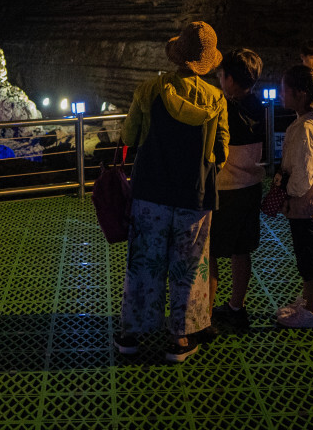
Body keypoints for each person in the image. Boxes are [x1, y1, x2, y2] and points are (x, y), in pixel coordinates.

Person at [114, 21, 229, 363]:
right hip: (194, 196)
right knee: (188, 268)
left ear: (177, 56)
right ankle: (178, 340)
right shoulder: (216, 99)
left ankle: (131, 335)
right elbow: (221, 152)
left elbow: (130, 136)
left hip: (150, 191)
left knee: (144, 264)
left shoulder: (149, 90)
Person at [273, 64, 313, 329]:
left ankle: (312, 310)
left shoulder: (305, 129)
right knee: (308, 252)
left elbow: (303, 172)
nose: (280, 94)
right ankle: (309, 300)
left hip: (304, 202)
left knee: (308, 256)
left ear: (299, 94)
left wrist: (288, 194)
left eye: (284, 90)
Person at [209, 48, 266, 332]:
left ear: (230, 79)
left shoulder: (224, 108)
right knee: (241, 251)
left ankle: (203, 315)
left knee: (211, 253)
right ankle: (236, 307)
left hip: (226, 190)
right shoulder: (260, 107)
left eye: (221, 75)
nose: (219, 79)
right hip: (251, 188)